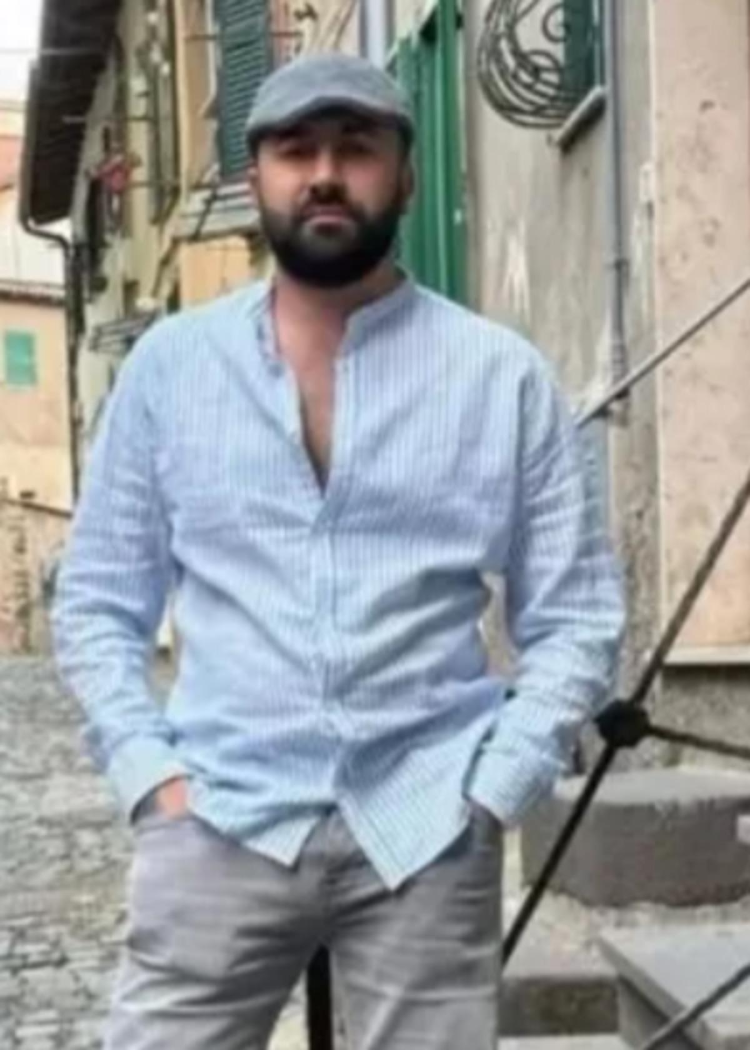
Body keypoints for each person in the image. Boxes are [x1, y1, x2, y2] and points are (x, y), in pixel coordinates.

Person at [53, 52, 624, 1050]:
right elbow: (99, 598)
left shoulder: (501, 379)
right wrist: (150, 775)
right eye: (295, 149)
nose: (324, 173)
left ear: (406, 178)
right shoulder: (169, 372)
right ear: (257, 177)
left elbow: (576, 614)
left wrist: (495, 788)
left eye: (356, 148)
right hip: (218, 817)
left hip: (424, 824)